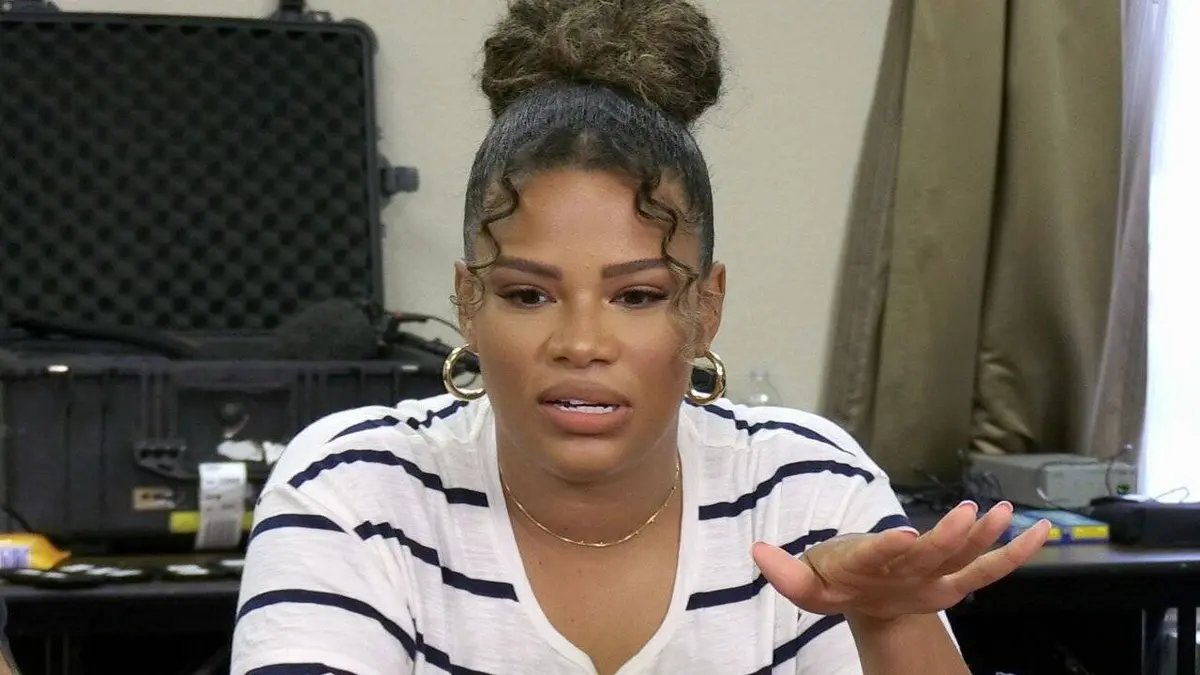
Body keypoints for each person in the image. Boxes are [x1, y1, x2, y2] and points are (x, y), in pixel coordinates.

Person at [230, 1, 1050, 673]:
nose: (581, 342)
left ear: (705, 308)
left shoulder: (810, 487)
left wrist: (888, 620)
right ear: (468, 301)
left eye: (637, 295)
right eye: (526, 293)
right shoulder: (355, 487)